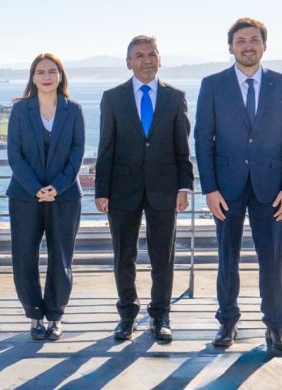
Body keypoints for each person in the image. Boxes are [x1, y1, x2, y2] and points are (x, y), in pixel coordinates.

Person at [195, 17, 282, 356]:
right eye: (241, 40)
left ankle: (276, 326)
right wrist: (209, 188)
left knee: (272, 260)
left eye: (254, 39)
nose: (247, 46)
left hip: (271, 189)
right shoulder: (212, 85)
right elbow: (202, 140)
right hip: (225, 189)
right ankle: (227, 322)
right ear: (231, 47)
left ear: (264, 45)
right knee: (227, 259)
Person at [94, 36, 194, 343]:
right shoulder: (112, 98)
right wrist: (102, 190)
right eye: (139, 55)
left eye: (152, 54)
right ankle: (127, 315)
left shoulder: (175, 97)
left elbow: (182, 147)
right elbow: (106, 146)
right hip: (122, 189)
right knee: (124, 256)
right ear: (128, 62)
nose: (146, 60)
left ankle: (160, 314)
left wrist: (185, 186)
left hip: (165, 189)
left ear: (160, 59)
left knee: (162, 256)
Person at [6, 53, 84, 341]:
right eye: (41, 72)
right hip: (25, 196)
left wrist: (57, 188)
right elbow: (14, 154)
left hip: (64, 198)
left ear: (61, 76)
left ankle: (55, 316)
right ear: (33, 77)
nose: (47, 76)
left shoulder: (73, 110)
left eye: (52, 71)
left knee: (60, 258)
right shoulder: (19, 110)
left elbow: (77, 154)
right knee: (24, 257)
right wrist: (35, 187)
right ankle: (34, 315)